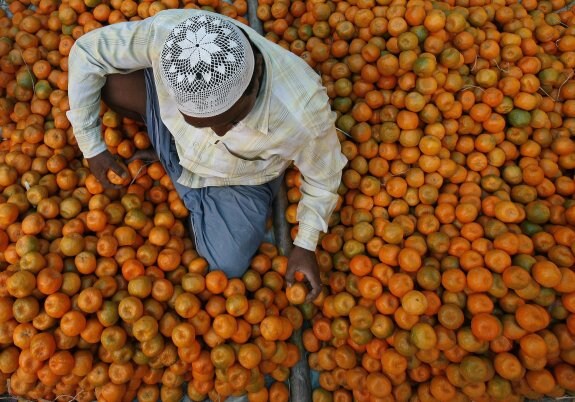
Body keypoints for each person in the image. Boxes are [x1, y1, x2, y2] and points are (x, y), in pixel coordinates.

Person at [66, 9, 347, 301]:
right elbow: (87, 51)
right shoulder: (175, 36)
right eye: (201, 121)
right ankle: (174, 154)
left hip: (236, 177)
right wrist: (92, 146)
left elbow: (323, 176)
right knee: (110, 83)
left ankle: (182, 174)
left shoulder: (302, 113)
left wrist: (306, 243)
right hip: (174, 132)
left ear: (257, 75)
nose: (218, 132)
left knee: (226, 264)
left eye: (231, 121)